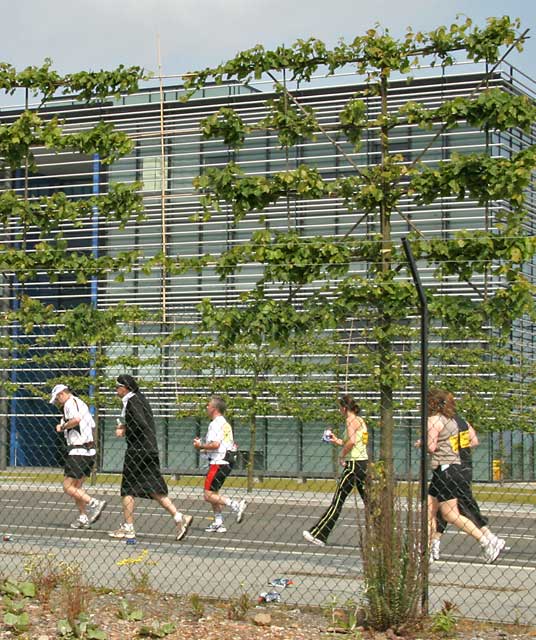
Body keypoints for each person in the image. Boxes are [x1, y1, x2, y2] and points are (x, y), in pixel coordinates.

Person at [108, 375, 193, 541]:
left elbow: (140, 424)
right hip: (149, 448)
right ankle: (179, 517)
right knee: (153, 488)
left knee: (127, 489)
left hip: (138, 450)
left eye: (117, 387)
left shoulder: (132, 400)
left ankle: (128, 528)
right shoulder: (139, 398)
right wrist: (127, 425)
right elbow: (141, 422)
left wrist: (124, 430)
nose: (116, 390)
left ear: (125, 387)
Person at [427, 388, 505, 564]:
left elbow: (431, 446)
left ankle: (488, 539)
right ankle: (431, 544)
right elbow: (474, 440)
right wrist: (456, 446)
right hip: (459, 466)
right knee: (433, 508)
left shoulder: (437, 421)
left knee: (455, 510)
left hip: (448, 468)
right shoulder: (460, 421)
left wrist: (434, 444)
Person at [302, 394, 368, 547]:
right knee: (370, 504)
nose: (339, 410)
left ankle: (319, 534)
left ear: (345, 408)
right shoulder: (360, 420)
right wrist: (335, 440)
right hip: (362, 464)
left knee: (337, 501)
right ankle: (381, 538)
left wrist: (341, 456)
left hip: (353, 465)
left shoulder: (350, 420)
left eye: (340, 407)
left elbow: (351, 442)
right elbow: (352, 442)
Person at [50, 384, 106, 530]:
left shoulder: (69, 403)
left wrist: (62, 427)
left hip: (78, 451)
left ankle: (94, 503)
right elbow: (90, 424)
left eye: (57, 398)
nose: (57, 402)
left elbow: (76, 420)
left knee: (67, 486)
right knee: (77, 487)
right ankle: (83, 517)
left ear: (62, 393)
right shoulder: (81, 403)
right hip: (88, 451)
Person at [193, 396, 246, 533]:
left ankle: (235, 505)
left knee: (208, 495)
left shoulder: (215, 424)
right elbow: (224, 445)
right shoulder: (225, 424)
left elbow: (215, 444)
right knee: (214, 493)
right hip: (225, 461)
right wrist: (205, 450)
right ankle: (218, 522)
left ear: (214, 409)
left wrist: (200, 446)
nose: (206, 407)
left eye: (208, 405)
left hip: (218, 462)